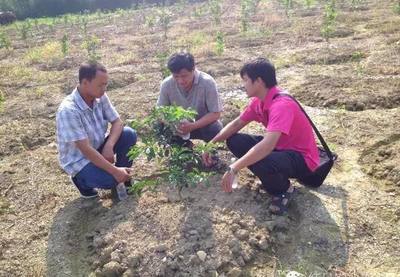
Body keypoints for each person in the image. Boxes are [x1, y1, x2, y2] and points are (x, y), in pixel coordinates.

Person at [203, 58, 320, 215]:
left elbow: (266, 147)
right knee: (234, 140)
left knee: (261, 161)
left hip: (302, 159)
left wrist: (234, 168)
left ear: (258, 81)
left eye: (245, 80)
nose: (243, 85)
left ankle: (283, 190)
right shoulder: (259, 101)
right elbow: (237, 124)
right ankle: (271, 177)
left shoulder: (281, 105)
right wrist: (210, 144)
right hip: (281, 149)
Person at [56, 62, 137, 198]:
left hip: (98, 147)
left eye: (106, 84)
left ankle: (122, 179)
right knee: (110, 179)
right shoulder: (69, 111)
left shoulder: (99, 96)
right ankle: (81, 181)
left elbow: (117, 122)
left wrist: (109, 146)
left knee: (129, 134)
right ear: (85, 82)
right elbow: (86, 150)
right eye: (101, 85)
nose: (104, 89)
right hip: (80, 160)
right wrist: (115, 172)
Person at [157, 52, 223, 144]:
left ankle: (211, 152)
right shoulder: (167, 84)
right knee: (159, 127)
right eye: (176, 76)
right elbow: (161, 112)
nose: (180, 81)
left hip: (202, 125)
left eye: (184, 76)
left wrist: (192, 126)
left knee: (214, 128)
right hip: (178, 128)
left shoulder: (207, 83)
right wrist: (173, 124)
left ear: (193, 69)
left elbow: (215, 113)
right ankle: (184, 151)